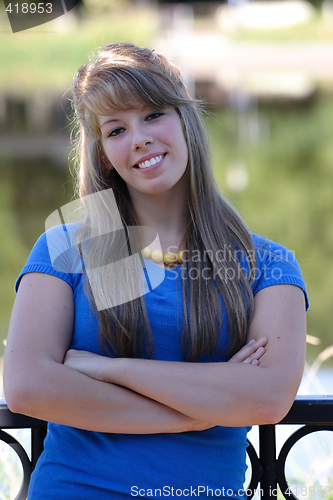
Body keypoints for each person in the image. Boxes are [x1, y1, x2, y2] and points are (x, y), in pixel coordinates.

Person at [3, 42, 308, 499]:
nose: (140, 138)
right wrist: (202, 410)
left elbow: (267, 398)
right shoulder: (63, 246)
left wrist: (109, 369)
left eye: (153, 115)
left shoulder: (268, 264)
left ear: (185, 119)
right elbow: (27, 386)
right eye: (116, 129)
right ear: (104, 154)